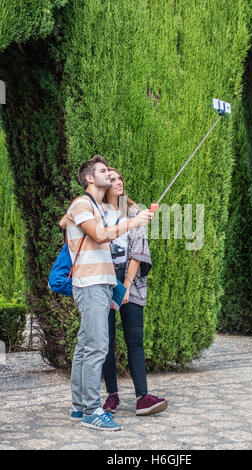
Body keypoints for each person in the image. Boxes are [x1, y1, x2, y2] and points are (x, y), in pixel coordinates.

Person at [59, 156, 153, 431]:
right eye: (103, 172)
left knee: (84, 346)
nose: (109, 176)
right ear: (90, 178)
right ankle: (91, 410)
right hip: (89, 285)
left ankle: (78, 407)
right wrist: (133, 223)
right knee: (98, 346)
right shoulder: (82, 204)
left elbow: (71, 226)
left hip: (100, 284)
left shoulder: (93, 208)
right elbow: (99, 235)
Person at [101, 168, 168, 416]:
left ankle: (142, 397)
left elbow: (139, 250)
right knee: (105, 341)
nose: (118, 182)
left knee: (135, 339)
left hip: (131, 280)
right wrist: (111, 284)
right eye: (112, 179)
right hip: (104, 278)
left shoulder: (133, 212)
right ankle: (112, 396)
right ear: (102, 185)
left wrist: (125, 286)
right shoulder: (96, 213)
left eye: (120, 178)